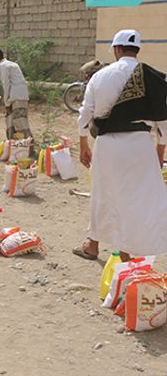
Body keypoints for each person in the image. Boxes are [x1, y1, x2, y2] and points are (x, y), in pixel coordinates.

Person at [73, 29, 167, 261]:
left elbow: (86, 112)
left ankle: (93, 245)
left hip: (108, 146)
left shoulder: (100, 76)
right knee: (138, 198)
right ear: (137, 50)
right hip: (141, 146)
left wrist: (83, 143)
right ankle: (132, 251)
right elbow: (162, 120)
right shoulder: (151, 77)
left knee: (104, 194)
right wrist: (160, 149)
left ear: (116, 49)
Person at [0, 47, 33, 142]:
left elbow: (6, 85)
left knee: (20, 122)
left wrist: (6, 103)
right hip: (19, 95)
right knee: (11, 120)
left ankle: (28, 143)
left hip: (16, 96)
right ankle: (14, 143)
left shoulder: (4, 65)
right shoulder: (11, 64)